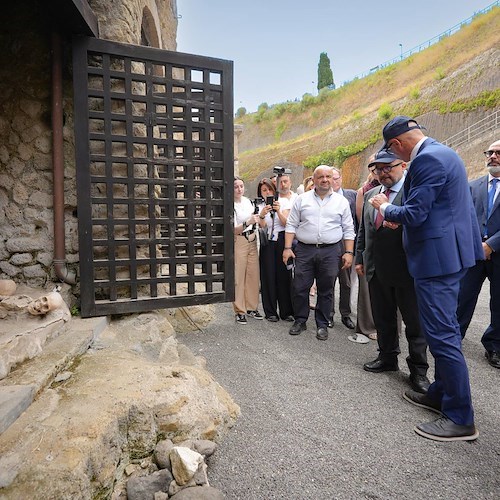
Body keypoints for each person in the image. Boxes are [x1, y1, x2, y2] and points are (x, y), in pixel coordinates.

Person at [369, 116, 483, 442]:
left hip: (435, 261)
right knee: (443, 331)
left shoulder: (426, 159)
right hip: (450, 255)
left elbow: (416, 213)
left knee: (442, 337)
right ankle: (439, 394)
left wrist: (384, 207)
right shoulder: (444, 152)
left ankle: (461, 417)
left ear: (396, 145)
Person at [355, 150, 430, 393]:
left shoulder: (414, 192)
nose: (383, 172)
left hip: (408, 269)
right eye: (378, 168)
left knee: (414, 323)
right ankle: (387, 357)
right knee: (383, 317)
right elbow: (364, 231)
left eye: (389, 167)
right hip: (377, 267)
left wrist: (400, 223)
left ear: (403, 166)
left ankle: (418, 370)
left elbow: (425, 223)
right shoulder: (372, 194)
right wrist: (360, 257)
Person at [283, 165, 355, 341]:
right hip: (305, 250)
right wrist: (287, 248)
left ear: (333, 179)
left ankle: (322, 324)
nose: (325, 180)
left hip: (331, 251)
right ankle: (300, 320)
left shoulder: (341, 202)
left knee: (326, 289)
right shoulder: (302, 199)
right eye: (321, 177)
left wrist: (349, 252)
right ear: (313, 180)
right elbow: (291, 224)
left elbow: (348, 229)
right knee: (300, 286)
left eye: (328, 176)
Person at [457, 140, 500, 369]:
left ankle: (494, 345)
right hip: (472, 253)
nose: (492, 156)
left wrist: (491, 244)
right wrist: (476, 244)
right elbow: (463, 218)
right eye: (489, 152)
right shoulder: (472, 186)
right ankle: (454, 338)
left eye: (497, 153)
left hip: (498, 253)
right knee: (462, 297)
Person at [257, 177, 295, 322]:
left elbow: (288, 223)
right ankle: (270, 311)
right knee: (268, 276)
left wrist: (278, 211)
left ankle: (287, 311)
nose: (267, 193)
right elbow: (262, 227)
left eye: (269, 190)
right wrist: (262, 215)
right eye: (264, 190)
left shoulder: (283, 202)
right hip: (268, 242)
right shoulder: (259, 205)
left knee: (284, 275)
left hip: (282, 240)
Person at [350, 169, 380, 343]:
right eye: (375, 168)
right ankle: (368, 326)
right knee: (367, 288)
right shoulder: (366, 191)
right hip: (370, 244)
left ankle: (392, 327)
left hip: (394, 248)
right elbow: (363, 223)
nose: (380, 171)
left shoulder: (404, 188)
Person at [233, 177, 265, 324]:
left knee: (253, 274)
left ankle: (252, 306)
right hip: (239, 238)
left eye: (241, 186)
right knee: (239, 276)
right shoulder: (230, 205)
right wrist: (248, 222)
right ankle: (240, 310)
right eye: (236, 187)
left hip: (253, 238)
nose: (239, 189)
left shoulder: (247, 201)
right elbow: (233, 229)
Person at [328, 167, 357, 330]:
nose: (334, 181)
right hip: (330, 245)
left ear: (341, 178)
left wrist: (352, 249)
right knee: (329, 280)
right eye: (331, 178)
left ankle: (345, 314)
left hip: (346, 243)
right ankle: (329, 314)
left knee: (346, 282)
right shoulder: (325, 197)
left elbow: (356, 221)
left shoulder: (352, 195)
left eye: (336, 178)